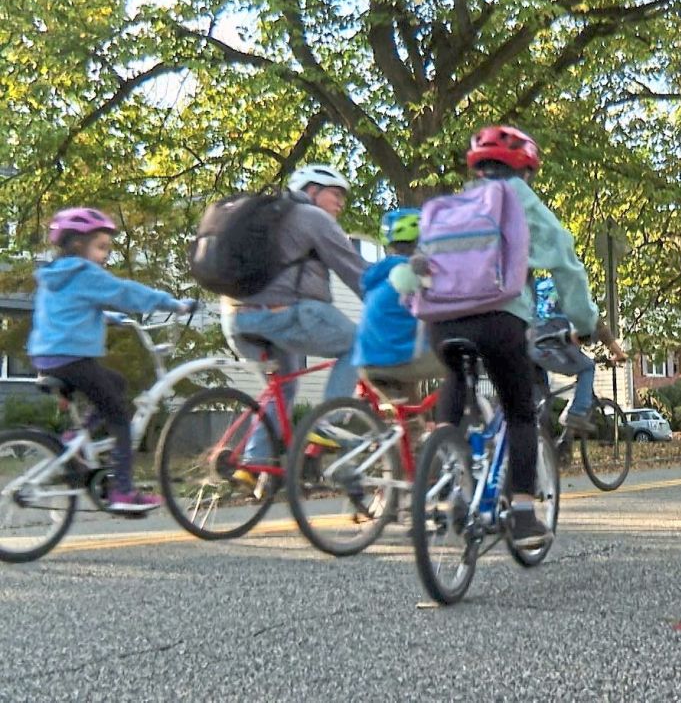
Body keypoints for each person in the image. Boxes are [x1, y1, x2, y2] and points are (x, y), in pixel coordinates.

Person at [426, 126, 599, 549]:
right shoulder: (521, 199)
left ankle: (442, 472)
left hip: (441, 320)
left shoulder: (451, 204)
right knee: (521, 411)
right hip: (500, 317)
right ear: (526, 168)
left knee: (454, 382)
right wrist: (585, 321)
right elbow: (566, 265)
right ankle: (522, 513)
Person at [26, 208, 194, 513]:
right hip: (74, 358)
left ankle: (75, 438)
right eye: (101, 247)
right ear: (79, 245)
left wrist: (106, 316)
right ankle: (123, 491)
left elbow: (67, 311)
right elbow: (124, 291)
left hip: (47, 358)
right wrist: (171, 303)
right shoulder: (84, 272)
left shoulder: (55, 277)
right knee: (120, 420)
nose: (105, 256)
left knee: (116, 383)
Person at [220, 164, 366, 483]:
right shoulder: (313, 217)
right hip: (282, 313)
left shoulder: (269, 219)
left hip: (236, 319)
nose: (341, 202)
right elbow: (357, 273)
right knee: (357, 343)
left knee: (283, 386)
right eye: (335, 193)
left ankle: (254, 462)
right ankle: (328, 424)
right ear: (311, 191)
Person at [351, 208, 439, 401]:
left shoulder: (380, 276)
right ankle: (453, 421)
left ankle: (412, 428)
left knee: (411, 420)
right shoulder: (411, 273)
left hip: (367, 361)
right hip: (395, 358)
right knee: (459, 361)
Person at [529, 275, 626, 435]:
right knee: (587, 367)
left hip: (526, 345)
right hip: (550, 345)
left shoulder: (539, 286)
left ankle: (546, 451)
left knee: (541, 403)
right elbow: (598, 326)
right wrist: (619, 353)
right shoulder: (572, 288)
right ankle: (575, 413)